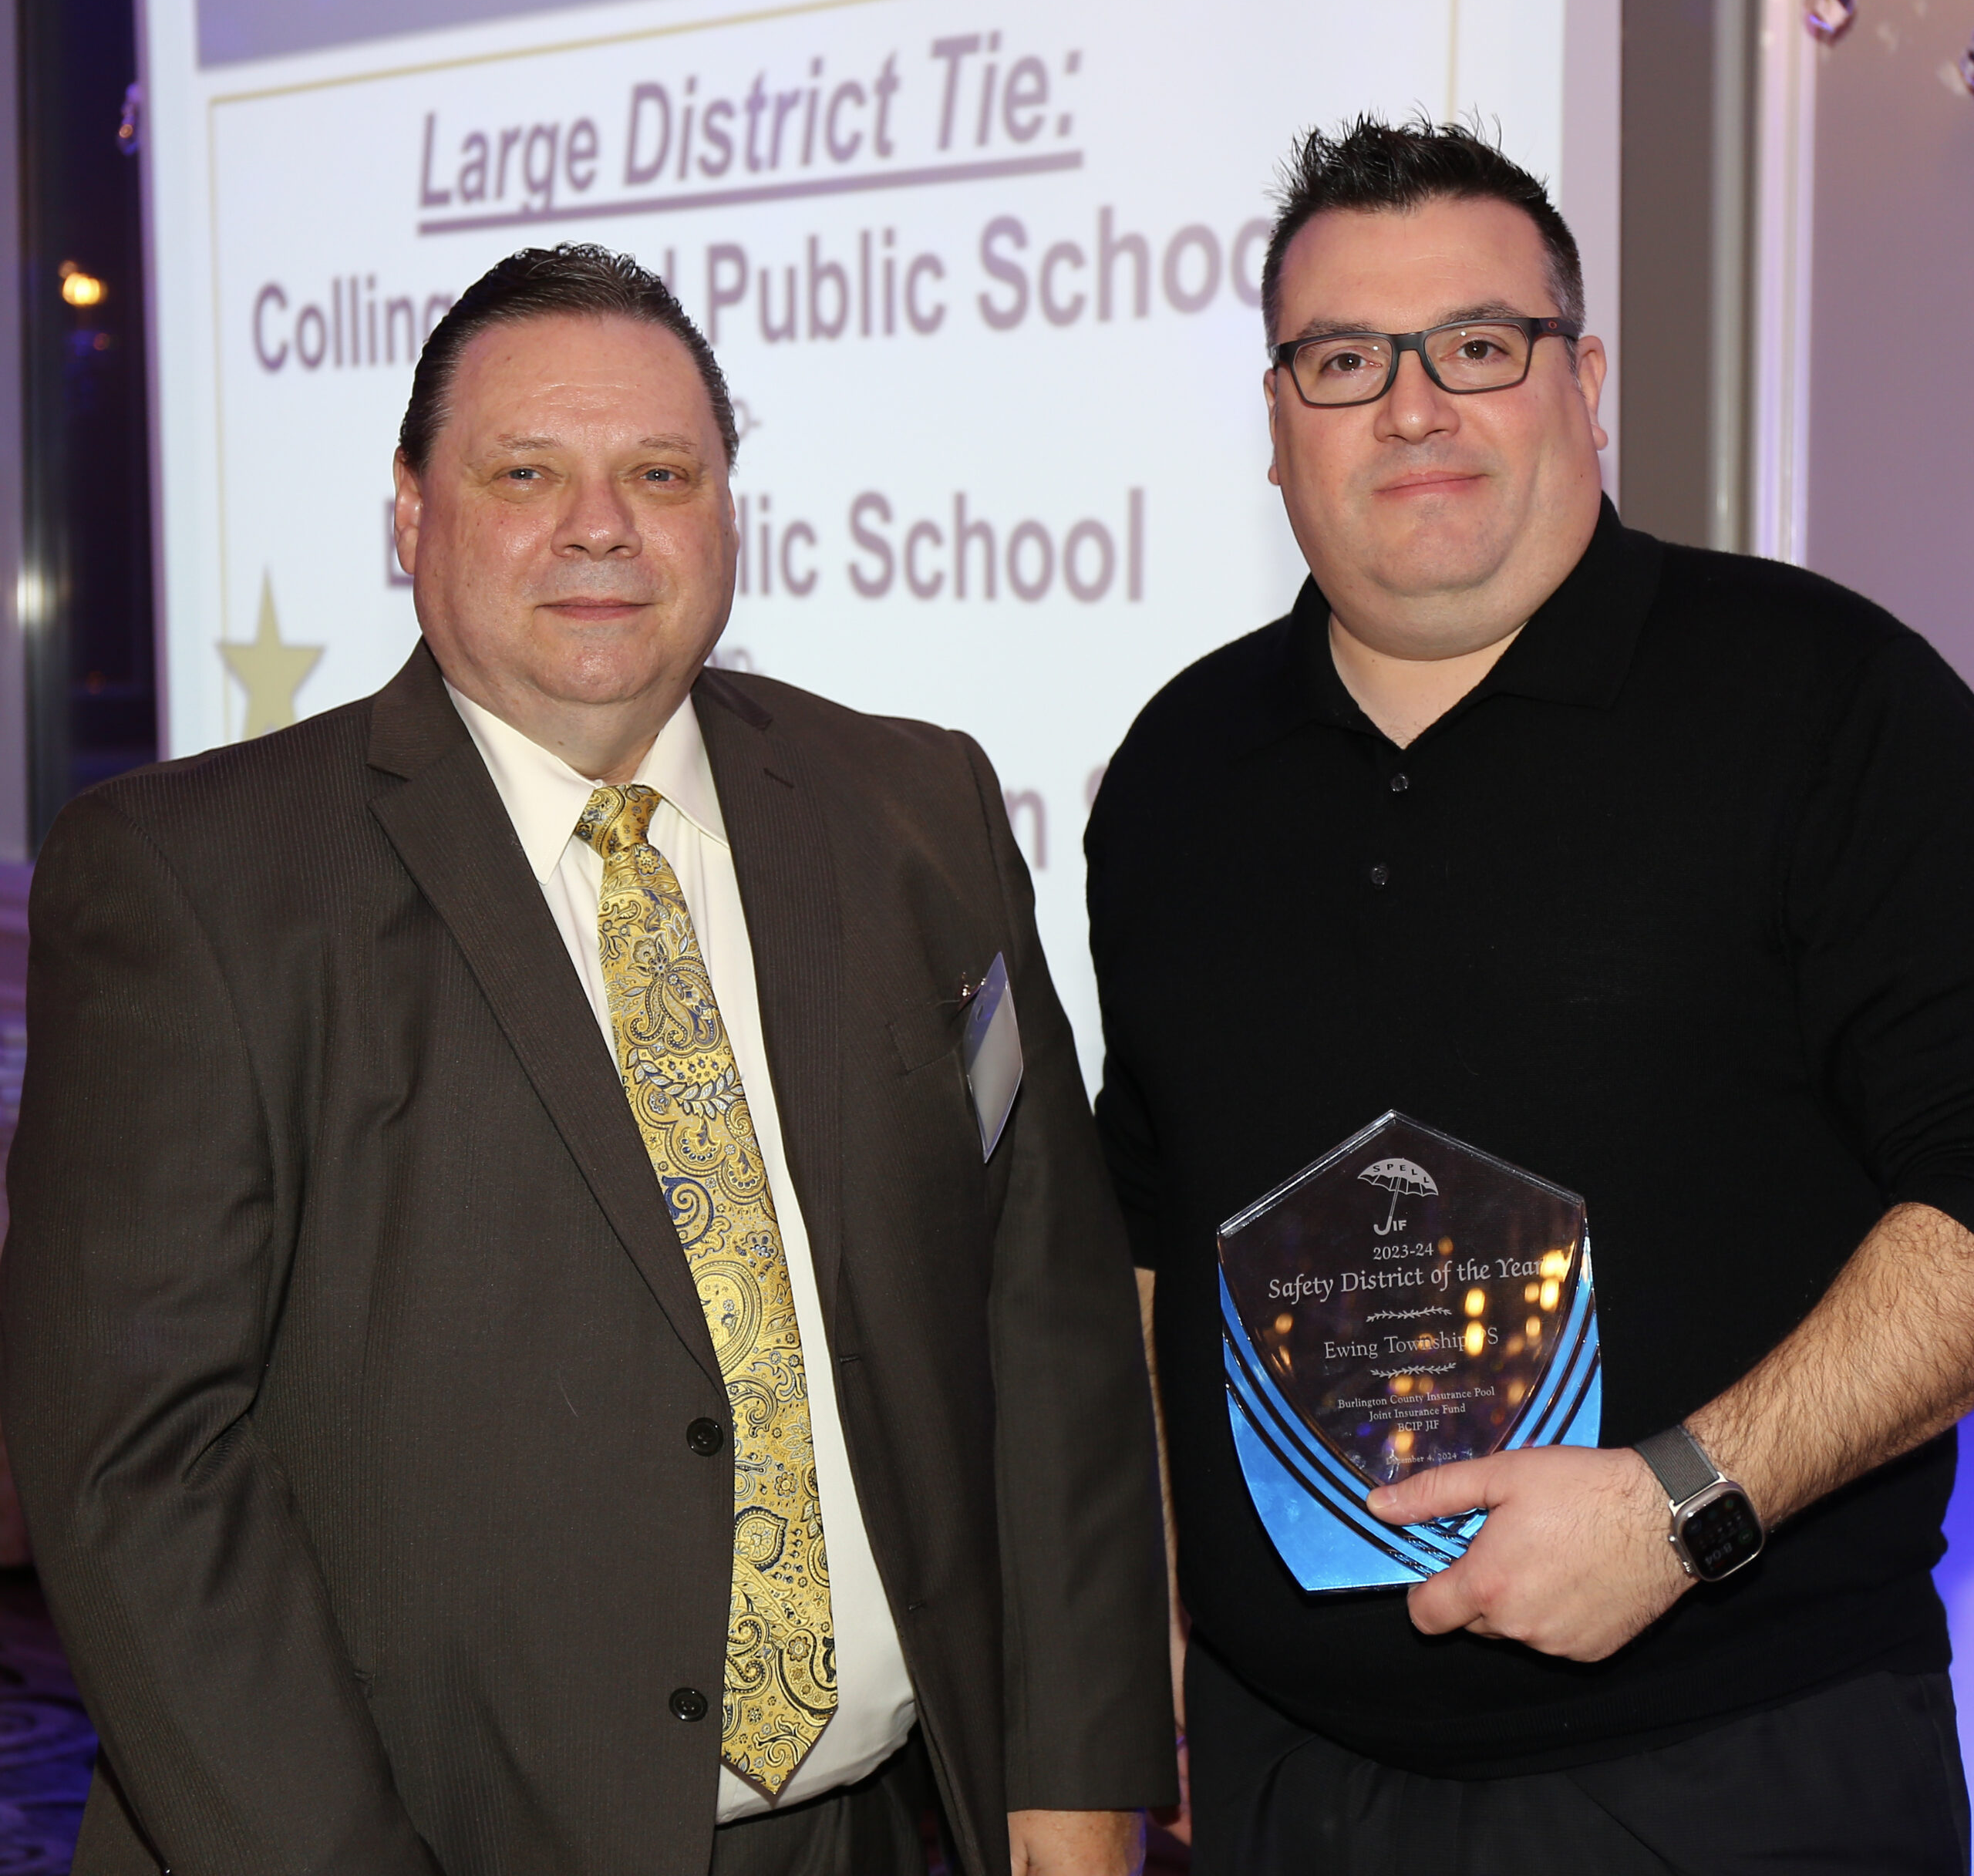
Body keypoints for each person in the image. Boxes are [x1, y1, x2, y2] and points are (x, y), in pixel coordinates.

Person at [2, 243, 1174, 1876]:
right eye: (526, 472)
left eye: (660, 473)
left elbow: (1043, 1320)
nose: (601, 525)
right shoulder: (196, 880)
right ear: (409, 513)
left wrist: (1077, 1765)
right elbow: (138, 1469)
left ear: (728, 512)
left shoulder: (920, 812)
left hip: (895, 1828)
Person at [1086, 117, 1974, 1874]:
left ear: (1586, 383)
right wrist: (1146, 1635)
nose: (1412, 408)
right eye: (1344, 361)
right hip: (1279, 1783)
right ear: (1275, 419)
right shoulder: (1180, 769)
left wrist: (1681, 1504)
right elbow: (1149, 1242)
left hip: (1736, 1778)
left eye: (1478, 346)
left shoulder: (1828, 701)